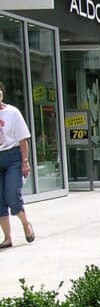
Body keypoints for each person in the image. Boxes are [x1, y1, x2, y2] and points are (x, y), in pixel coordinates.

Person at [0, 81, 35, 248]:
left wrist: (25, 162)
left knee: (12, 195)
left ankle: (25, 223)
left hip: (12, 156)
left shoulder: (12, 113)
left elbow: (22, 139)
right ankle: (7, 237)